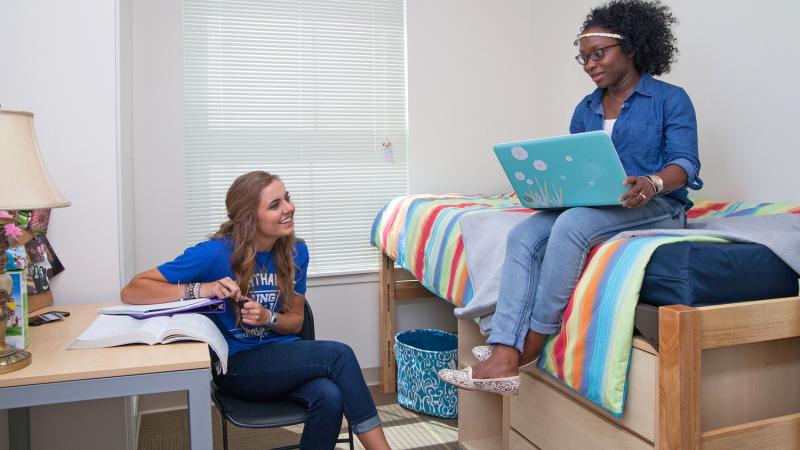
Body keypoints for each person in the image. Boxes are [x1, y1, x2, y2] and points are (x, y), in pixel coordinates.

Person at [439, 0, 701, 394]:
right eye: (584, 58)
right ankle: (503, 345)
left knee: (574, 225)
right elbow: (578, 167)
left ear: (631, 47)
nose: (591, 64)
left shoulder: (670, 98)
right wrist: (549, 191)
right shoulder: (587, 108)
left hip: (658, 205)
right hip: (600, 203)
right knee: (522, 235)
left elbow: (685, 163)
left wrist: (652, 183)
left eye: (599, 53)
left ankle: (530, 343)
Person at [121, 171, 391, 450]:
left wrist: (268, 317)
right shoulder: (215, 254)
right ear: (250, 218)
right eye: (275, 205)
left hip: (284, 359)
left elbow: (296, 323)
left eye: (286, 198)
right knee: (340, 354)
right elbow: (133, 290)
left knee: (330, 395)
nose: (288, 208)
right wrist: (203, 289)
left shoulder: (296, 252)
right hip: (238, 368)